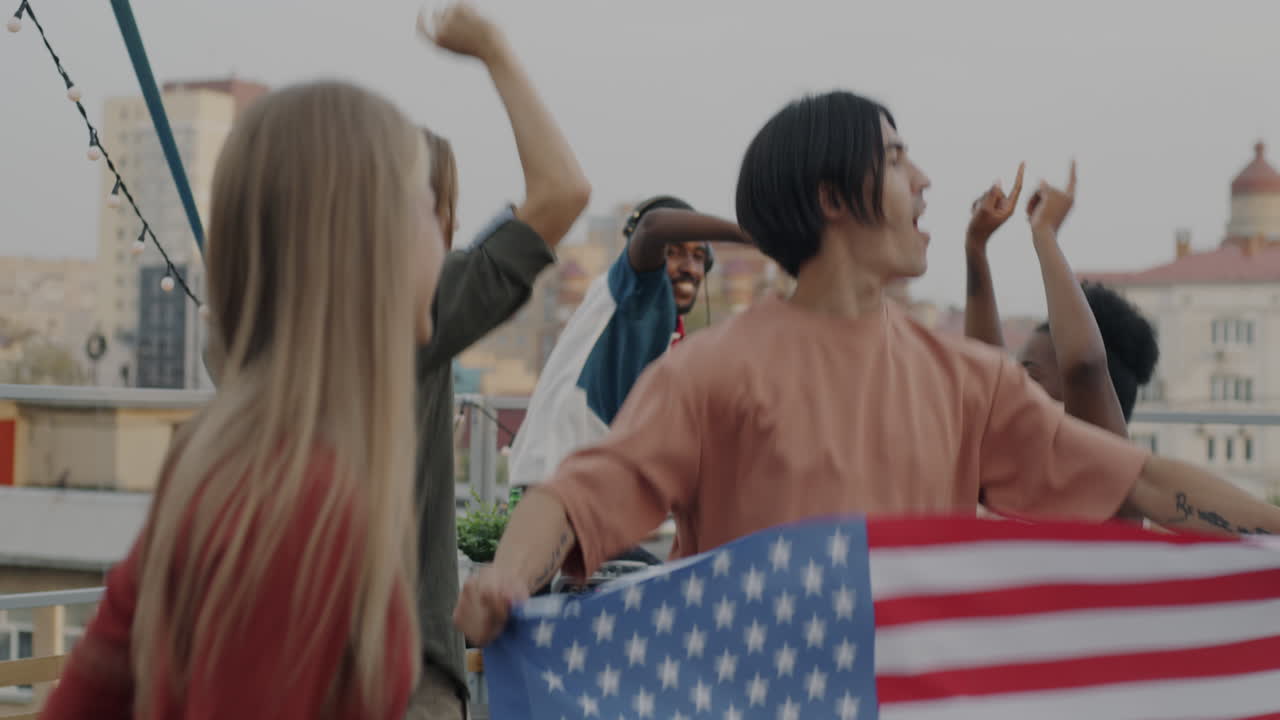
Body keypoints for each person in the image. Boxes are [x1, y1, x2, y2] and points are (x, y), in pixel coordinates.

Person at [455, 90, 1280, 647]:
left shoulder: (969, 380)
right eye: (895, 159)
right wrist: (503, 581)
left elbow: (1137, 480)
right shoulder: (710, 374)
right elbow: (571, 497)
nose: (923, 180)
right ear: (830, 196)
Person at [42, 81, 442, 719]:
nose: (444, 233)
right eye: (429, 204)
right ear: (371, 240)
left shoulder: (228, 459)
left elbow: (87, 694)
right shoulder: (299, 505)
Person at [409, 4, 590, 719]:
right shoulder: (411, 312)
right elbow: (564, 192)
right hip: (399, 678)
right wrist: (492, 50)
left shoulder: (256, 323)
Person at [507, 195, 749, 501]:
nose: (691, 268)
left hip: (586, 493)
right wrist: (752, 234)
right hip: (563, 491)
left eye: (700, 256)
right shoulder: (635, 290)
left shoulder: (667, 332)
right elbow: (652, 224)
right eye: (674, 253)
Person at [964, 161, 1158, 437]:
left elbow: (1083, 364)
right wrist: (976, 245)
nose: (1013, 383)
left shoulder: (1100, 455)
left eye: (1031, 376)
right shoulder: (1015, 449)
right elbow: (985, 367)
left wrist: (1044, 232)